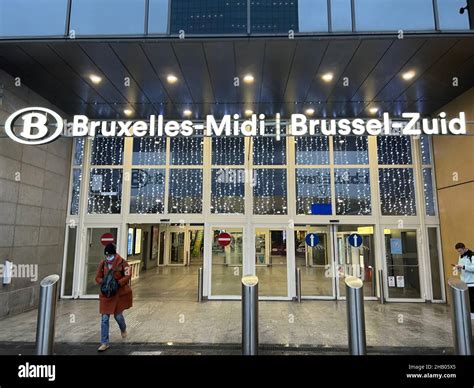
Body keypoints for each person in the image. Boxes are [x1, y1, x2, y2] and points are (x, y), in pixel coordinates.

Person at [95, 243, 133, 351]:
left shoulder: (122, 262)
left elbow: (128, 275)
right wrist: (104, 282)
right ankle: (104, 342)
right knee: (104, 318)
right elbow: (97, 277)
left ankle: (123, 328)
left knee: (118, 316)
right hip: (106, 295)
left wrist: (118, 283)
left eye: (110, 255)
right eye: (106, 256)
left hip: (117, 294)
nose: (108, 257)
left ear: (114, 254)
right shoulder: (103, 263)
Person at [454, 242, 474, 319]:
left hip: (472, 282)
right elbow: (462, 267)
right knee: (467, 299)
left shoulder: (472, 255)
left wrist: (463, 267)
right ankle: (469, 313)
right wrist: (458, 268)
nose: (459, 253)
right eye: (458, 251)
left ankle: (473, 313)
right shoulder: (460, 256)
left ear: (464, 248)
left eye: (460, 251)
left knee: (472, 299)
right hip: (464, 281)